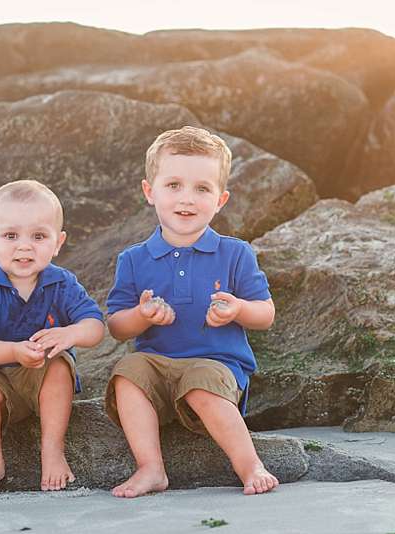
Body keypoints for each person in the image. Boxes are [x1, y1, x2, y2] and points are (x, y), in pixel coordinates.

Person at [105, 126, 278, 498]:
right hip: (157, 364)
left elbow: (265, 314)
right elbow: (118, 327)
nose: (187, 199)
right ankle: (151, 468)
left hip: (216, 365)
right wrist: (143, 315)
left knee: (201, 383)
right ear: (149, 192)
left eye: (202, 188)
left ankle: (250, 465)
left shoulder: (235, 253)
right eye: (174, 186)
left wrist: (238, 309)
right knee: (127, 373)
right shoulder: (133, 259)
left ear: (221, 199)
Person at [0, 180, 105, 495]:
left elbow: (95, 326)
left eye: (39, 236)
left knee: (60, 365)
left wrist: (70, 332)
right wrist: (14, 351)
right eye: (10, 236)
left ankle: (52, 450)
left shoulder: (61, 283)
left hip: (42, 376)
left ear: (58, 242)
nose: (24, 246)